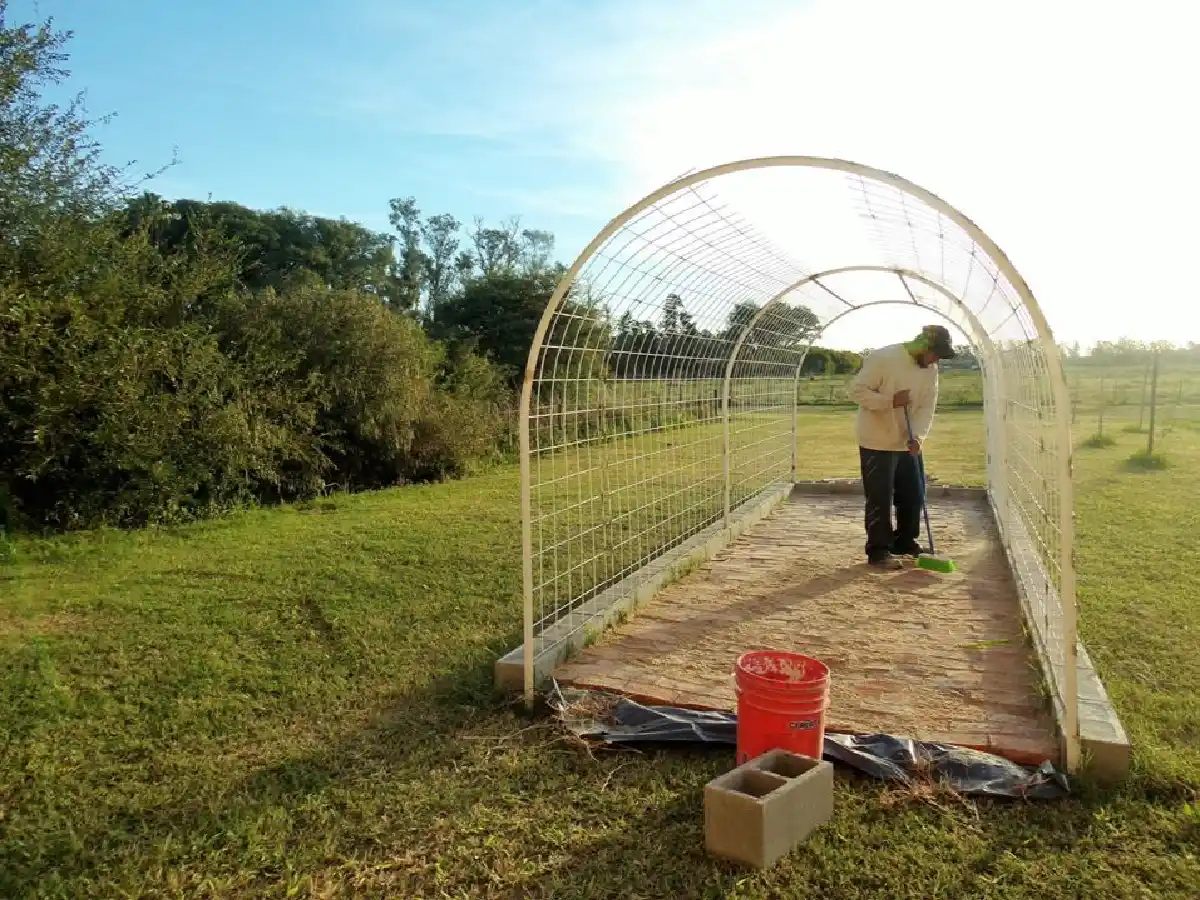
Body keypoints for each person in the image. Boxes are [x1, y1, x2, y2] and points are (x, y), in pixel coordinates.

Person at [848, 325, 957, 569]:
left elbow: (927, 406)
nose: (935, 360)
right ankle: (878, 551)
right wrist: (889, 401)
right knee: (880, 499)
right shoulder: (883, 358)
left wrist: (918, 436)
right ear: (922, 345)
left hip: (908, 442)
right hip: (876, 440)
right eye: (934, 353)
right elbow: (856, 391)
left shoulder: (930, 370)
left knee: (914, 495)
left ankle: (905, 542)